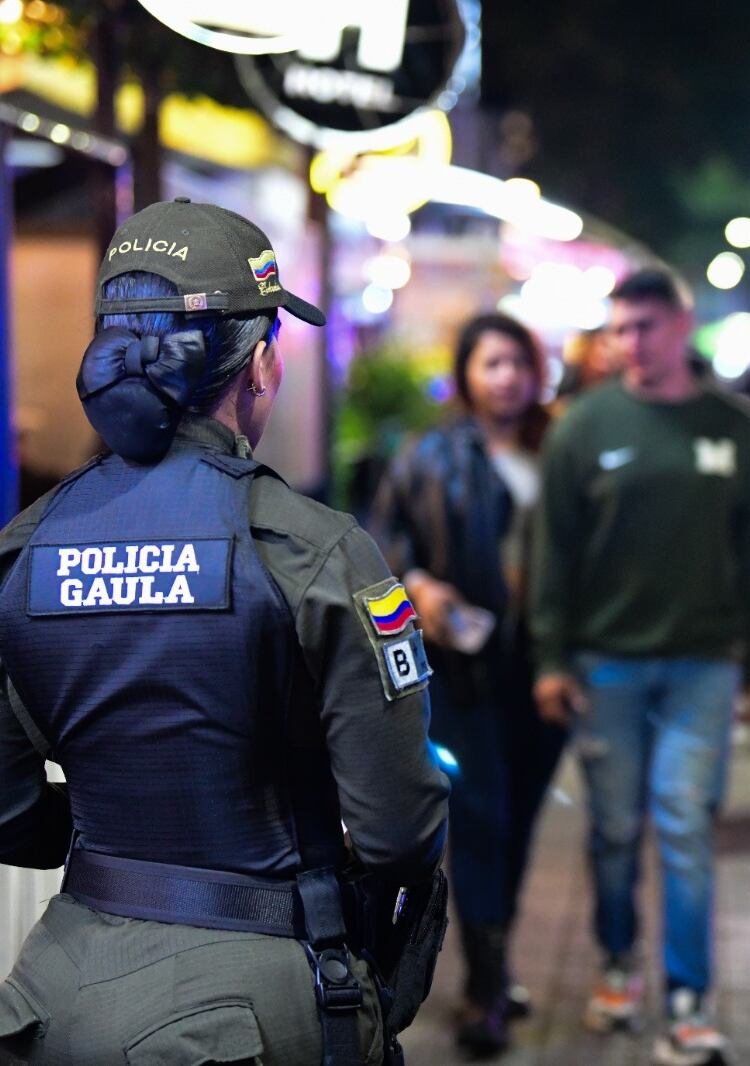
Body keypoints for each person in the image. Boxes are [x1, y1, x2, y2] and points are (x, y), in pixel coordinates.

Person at [0, 198, 450, 1066]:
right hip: (256, 1003)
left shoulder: (21, 552)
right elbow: (396, 830)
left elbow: (9, 813)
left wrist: (123, 835)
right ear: (259, 368)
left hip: (54, 992)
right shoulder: (313, 552)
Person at [530, 269, 750, 1066]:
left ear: (681, 326)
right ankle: (613, 961)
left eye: (644, 327)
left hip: (702, 664)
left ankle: (686, 998)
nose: (630, 344)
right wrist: (550, 657)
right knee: (610, 830)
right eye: (618, 330)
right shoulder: (583, 427)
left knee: (683, 825)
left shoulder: (731, 426)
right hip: (606, 667)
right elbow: (552, 552)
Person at [368, 311, 566, 1060]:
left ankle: (497, 959)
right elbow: (387, 546)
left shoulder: (561, 449)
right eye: (491, 364)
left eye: (517, 361)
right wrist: (421, 586)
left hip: (543, 668)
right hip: (461, 669)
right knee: (479, 818)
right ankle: (484, 989)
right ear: (466, 374)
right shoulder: (431, 454)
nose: (506, 377)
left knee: (517, 823)